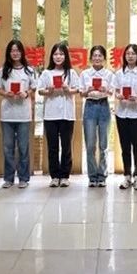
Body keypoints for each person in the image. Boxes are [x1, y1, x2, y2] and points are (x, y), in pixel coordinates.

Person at [38, 42, 79, 187]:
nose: (58, 57)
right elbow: (40, 90)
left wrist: (68, 89)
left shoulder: (71, 73)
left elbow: (77, 89)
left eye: (61, 54)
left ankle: (65, 175)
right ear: (52, 56)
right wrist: (48, 91)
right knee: (53, 146)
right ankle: (54, 176)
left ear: (65, 56)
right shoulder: (46, 73)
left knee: (66, 146)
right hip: (50, 114)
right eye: (55, 54)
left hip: (67, 115)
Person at [0, 40, 36, 189]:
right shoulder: (3, 70)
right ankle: (8, 178)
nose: (15, 53)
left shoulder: (29, 70)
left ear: (22, 52)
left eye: (18, 50)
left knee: (23, 147)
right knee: (8, 148)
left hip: (23, 114)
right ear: (9, 53)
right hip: (7, 114)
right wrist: (6, 93)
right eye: (12, 51)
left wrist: (26, 93)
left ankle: (24, 178)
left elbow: (33, 87)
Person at [113, 44, 137, 190]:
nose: (130, 56)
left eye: (133, 53)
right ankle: (127, 175)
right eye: (128, 53)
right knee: (125, 146)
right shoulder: (119, 74)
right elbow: (116, 91)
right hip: (122, 113)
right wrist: (119, 96)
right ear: (124, 56)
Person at [80, 45, 114, 187]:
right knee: (90, 144)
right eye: (94, 55)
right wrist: (87, 91)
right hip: (90, 106)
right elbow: (81, 93)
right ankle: (92, 176)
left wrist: (106, 90)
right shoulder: (85, 74)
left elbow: (112, 92)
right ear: (90, 58)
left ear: (104, 58)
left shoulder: (109, 74)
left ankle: (102, 175)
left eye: (100, 55)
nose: (97, 58)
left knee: (104, 144)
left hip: (104, 106)